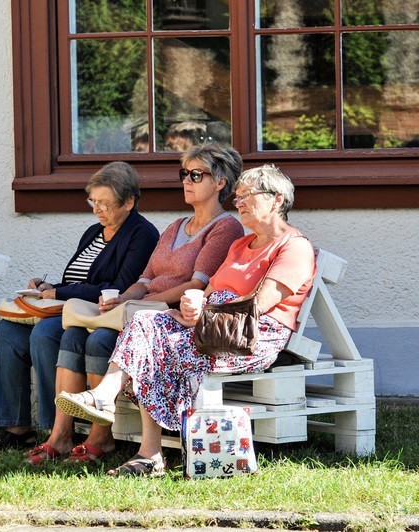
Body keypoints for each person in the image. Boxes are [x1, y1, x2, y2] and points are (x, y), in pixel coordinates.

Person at [56, 164, 316, 476]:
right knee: (146, 322)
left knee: (156, 348)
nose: (239, 202)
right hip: (211, 325)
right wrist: (192, 308)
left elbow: (257, 307)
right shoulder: (240, 245)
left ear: (276, 199)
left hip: (250, 336)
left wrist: (202, 314)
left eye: (248, 195)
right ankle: (105, 398)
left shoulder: (294, 246)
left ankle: (148, 451)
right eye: (238, 196)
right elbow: (210, 292)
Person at [30, 142, 245, 465]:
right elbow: (144, 280)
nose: (186, 181)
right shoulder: (175, 226)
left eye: (196, 175)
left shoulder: (225, 227)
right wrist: (123, 299)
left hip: (169, 317)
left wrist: (142, 303)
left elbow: (196, 285)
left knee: (100, 339)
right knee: (73, 334)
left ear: (220, 182)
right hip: (141, 311)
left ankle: (100, 437)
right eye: (184, 173)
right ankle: (60, 435)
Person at [0, 162, 160, 454]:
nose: (97, 209)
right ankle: (16, 427)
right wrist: (47, 287)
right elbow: (77, 280)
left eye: (105, 203)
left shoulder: (142, 234)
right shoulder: (94, 232)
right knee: (8, 331)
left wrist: (59, 292)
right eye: (93, 201)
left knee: (44, 333)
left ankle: (54, 427)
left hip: (95, 314)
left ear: (129, 202)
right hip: (71, 309)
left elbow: (117, 288)